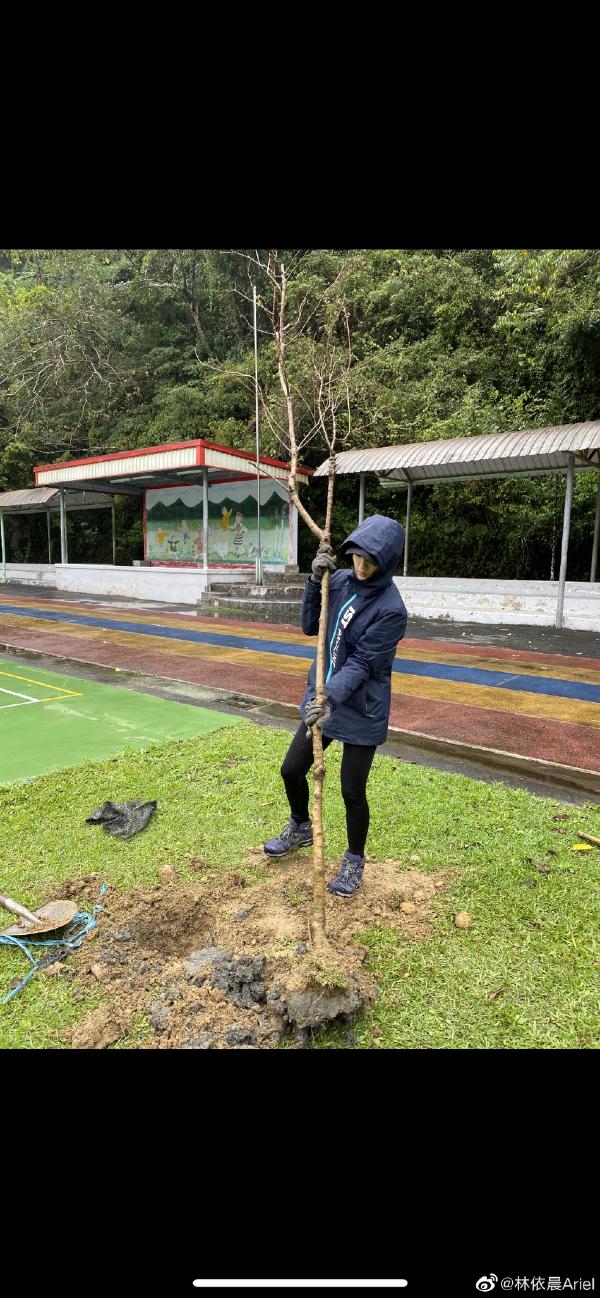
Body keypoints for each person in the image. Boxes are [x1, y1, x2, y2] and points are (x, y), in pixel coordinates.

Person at [264, 514, 407, 896]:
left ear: (387, 563)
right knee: (291, 769)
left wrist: (329, 698)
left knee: (351, 791)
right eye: (357, 556)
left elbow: (362, 663)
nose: (360, 566)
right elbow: (311, 626)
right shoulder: (339, 580)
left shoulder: (391, 610)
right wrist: (314, 582)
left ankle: (354, 861)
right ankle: (301, 826)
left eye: (370, 561)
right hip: (323, 698)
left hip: (361, 707)